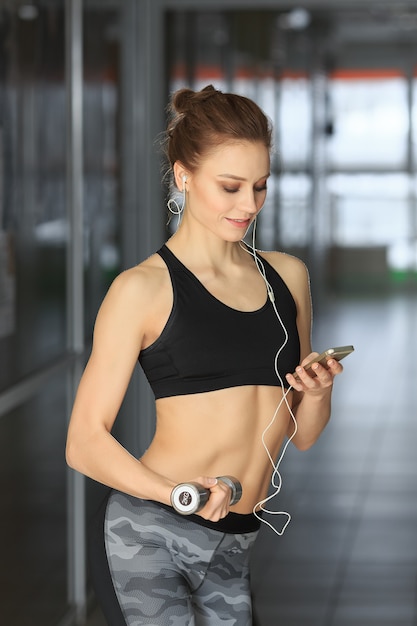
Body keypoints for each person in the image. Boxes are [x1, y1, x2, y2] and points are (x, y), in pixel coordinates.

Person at [66, 84, 344, 626]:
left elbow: (303, 435)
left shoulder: (287, 278)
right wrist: (176, 494)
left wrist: (319, 390)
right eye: (231, 187)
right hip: (149, 536)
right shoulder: (141, 289)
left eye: (260, 187)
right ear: (183, 176)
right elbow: (84, 442)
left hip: (236, 545)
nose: (249, 206)